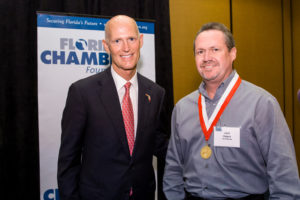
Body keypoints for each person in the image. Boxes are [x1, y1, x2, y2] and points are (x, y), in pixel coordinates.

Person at [163, 22, 300, 200]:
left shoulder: (261, 104)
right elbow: (173, 168)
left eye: (215, 49)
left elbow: (284, 175)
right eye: (200, 52)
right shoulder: (182, 108)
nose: (206, 57)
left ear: (232, 53)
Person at [57, 15, 168, 200]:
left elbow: (158, 143)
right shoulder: (82, 93)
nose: (126, 48)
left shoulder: (156, 93)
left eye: (131, 39)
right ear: (106, 46)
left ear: (140, 41)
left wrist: (195, 151)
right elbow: (68, 160)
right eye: (117, 41)